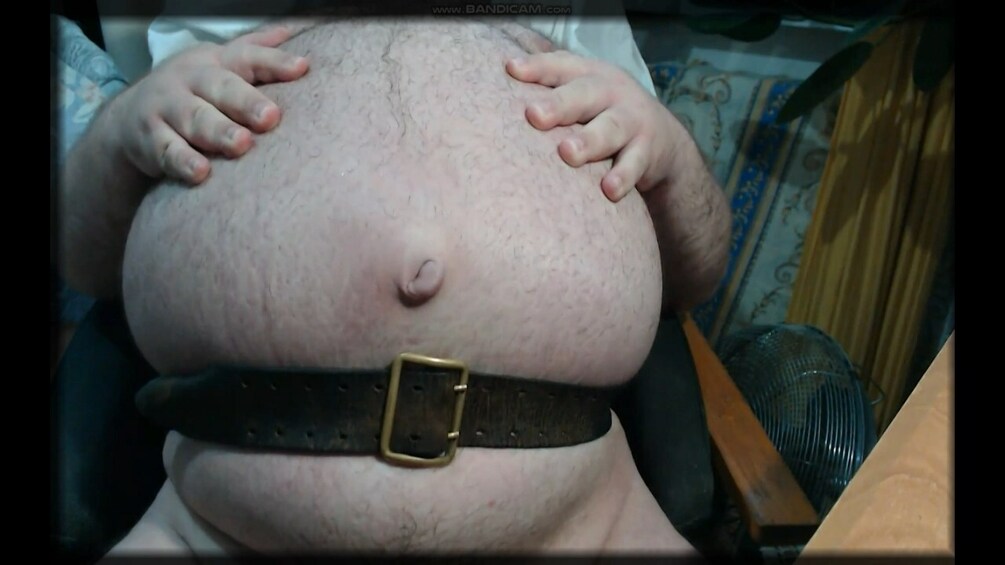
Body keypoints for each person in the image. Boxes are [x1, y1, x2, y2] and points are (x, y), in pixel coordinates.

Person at [58, 10, 730, 556]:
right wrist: (122, 126)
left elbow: (694, 275)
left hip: (590, 522)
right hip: (210, 524)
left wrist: (668, 148)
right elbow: (80, 260)